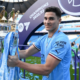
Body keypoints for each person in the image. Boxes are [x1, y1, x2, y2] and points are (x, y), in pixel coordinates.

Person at [8, 6, 71, 80]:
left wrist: (18, 63)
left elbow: (47, 69)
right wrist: (7, 54)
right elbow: (26, 52)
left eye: (51, 18)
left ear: (59, 20)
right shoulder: (43, 39)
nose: (47, 22)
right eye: (45, 18)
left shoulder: (61, 40)